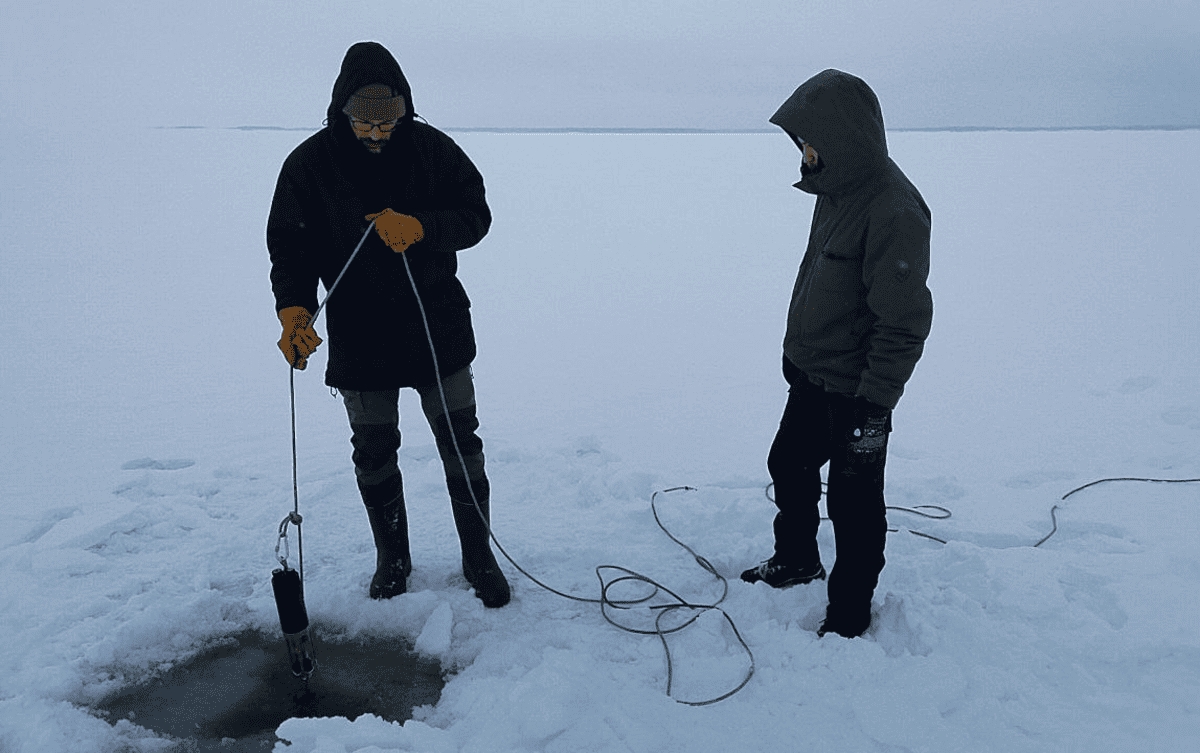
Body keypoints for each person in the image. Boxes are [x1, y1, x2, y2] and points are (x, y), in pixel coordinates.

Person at [266, 41, 510, 608]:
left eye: (388, 121)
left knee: (460, 442)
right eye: (364, 122)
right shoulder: (308, 166)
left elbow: (476, 216)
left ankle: (479, 557)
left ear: (404, 111)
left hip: (436, 324)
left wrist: (422, 226)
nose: (377, 133)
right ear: (342, 112)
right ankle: (393, 559)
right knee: (373, 449)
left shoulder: (433, 150)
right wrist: (293, 309)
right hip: (359, 332)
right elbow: (290, 249)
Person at [740, 70, 933, 638]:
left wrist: (875, 403)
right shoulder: (837, 189)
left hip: (857, 391)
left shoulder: (894, 209)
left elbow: (903, 321)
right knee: (789, 465)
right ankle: (797, 560)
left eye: (809, 138)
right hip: (812, 375)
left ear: (843, 136)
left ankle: (849, 611)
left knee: (854, 508)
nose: (803, 151)